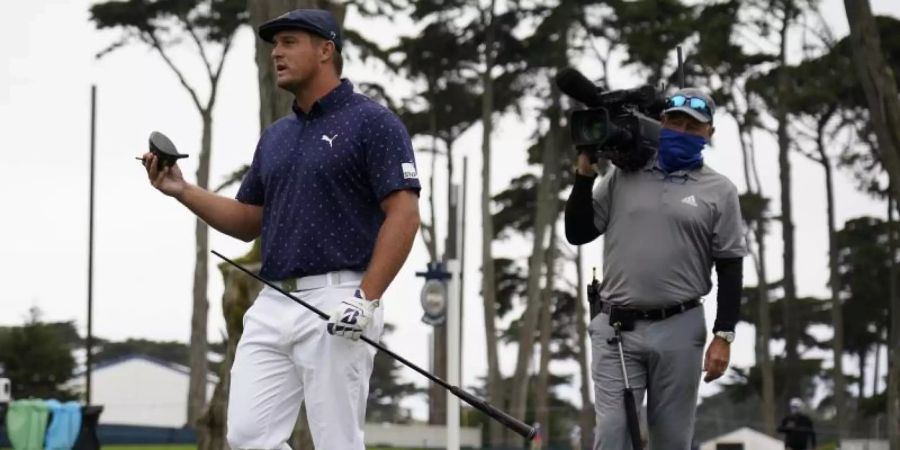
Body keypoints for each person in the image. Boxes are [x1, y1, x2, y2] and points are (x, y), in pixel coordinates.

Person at [140, 9, 421, 449]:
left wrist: (366, 298)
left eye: (289, 42)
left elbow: (404, 215)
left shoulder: (374, 123)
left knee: (337, 442)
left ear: (326, 50)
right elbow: (248, 220)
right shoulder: (276, 136)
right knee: (249, 436)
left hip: (341, 299)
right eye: (275, 45)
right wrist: (182, 190)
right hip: (272, 301)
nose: (277, 53)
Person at [564, 87, 747, 449]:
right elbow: (578, 232)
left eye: (693, 126)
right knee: (613, 434)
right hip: (617, 327)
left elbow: (730, 267)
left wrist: (723, 336)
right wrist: (584, 176)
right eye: (675, 122)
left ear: (709, 133)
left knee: (671, 440)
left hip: (680, 328)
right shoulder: (622, 176)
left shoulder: (719, 191)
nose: (682, 131)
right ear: (660, 123)